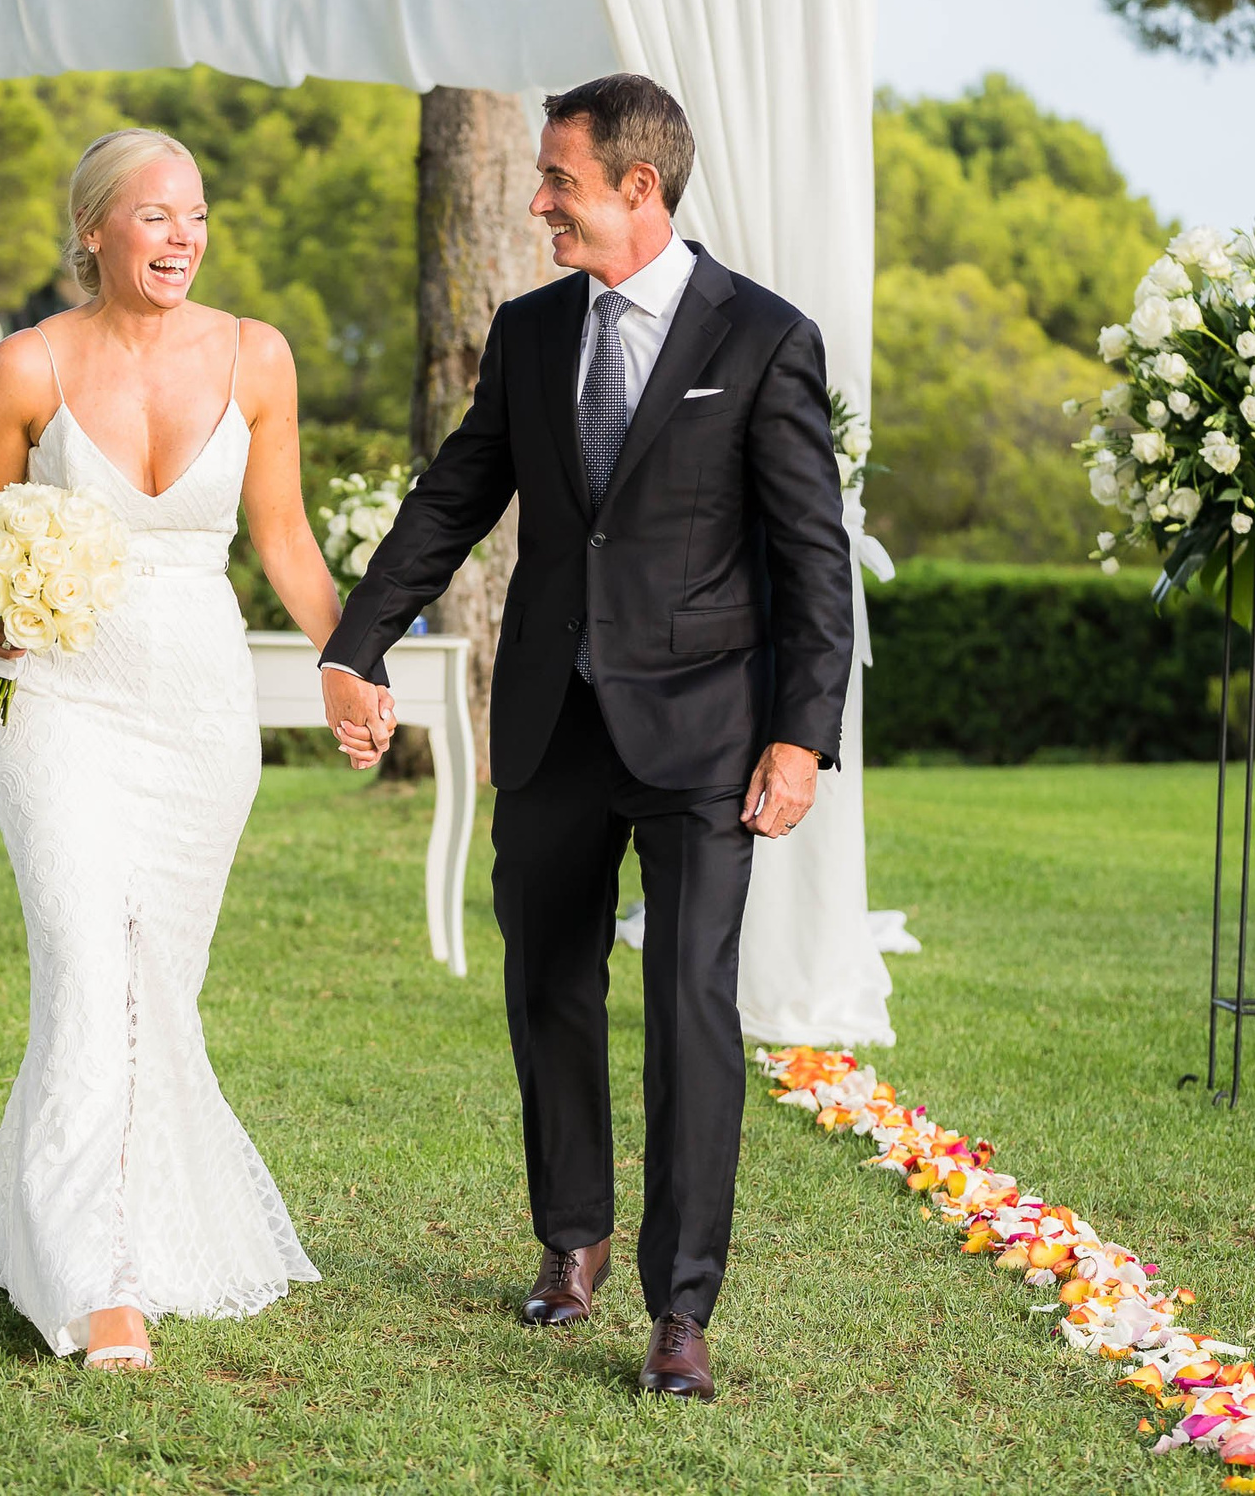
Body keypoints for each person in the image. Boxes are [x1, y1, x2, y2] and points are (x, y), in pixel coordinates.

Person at [318, 74, 854, 1400]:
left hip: (708, 734)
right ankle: (573, 1240)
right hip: (553, 720)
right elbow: (455, 493)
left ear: (636, 186)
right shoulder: (530, 330)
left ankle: (681, 1307)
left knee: (690, 1009)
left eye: (557, 178)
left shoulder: (766, 338)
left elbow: (812, 559)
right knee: (547, 986)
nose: (536, 199)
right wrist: (357, 637)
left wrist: (802, 735)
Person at [0, 128, 375, 1370]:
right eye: (153, 217)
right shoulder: (21, 367)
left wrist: (348, 661)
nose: (182, 238)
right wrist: (16, 602)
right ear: (93, 231)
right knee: (90, 967)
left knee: (153, 988)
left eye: (196, 215)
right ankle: (99, 1278)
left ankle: (72, 1216)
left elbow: (287, 540)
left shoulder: (257, 358)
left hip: (198, 713)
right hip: (52, 708)